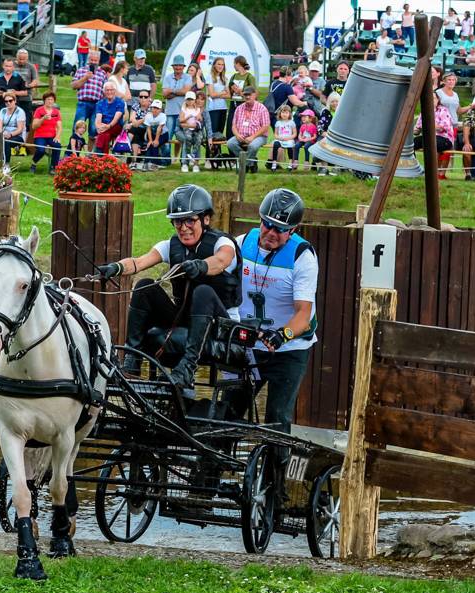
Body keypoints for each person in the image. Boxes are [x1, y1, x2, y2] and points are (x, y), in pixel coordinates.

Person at [98, 184, 242, 391]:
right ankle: (132, 361)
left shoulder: (222, 242)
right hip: (187, 319)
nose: (183, 227)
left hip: (220, 325)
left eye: (190, 220)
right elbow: (139, 262)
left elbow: (222, 261)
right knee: (145, 286)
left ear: (205, 219)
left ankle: (187, 367)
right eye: (177, 221)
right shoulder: (171, 245)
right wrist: (116, 267)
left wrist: (201, 266)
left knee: (202, 291)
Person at [234, 188, 318, 437]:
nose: (271, 232)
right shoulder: (242, 243)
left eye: (280, 229)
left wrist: (283, 334)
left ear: (293, 230)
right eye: (267, 224)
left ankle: (276, 463)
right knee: (229, 409)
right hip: (249, 346)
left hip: (289, 350)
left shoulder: (302, 256)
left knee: (277, 419)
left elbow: (303, 314)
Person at [227, 86, 270, 172]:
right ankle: (251, 161)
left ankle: (245, 166)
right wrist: (237, 135)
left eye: (249, 94)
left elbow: (265, 126)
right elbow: (234, 126)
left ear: (255, 95)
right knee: (230, 143)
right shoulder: (239, 108)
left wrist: (252, 137)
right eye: (245, 95)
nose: (247, 97)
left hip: (259, 136)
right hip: (242, 135)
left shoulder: (262, 108)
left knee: (252, 146)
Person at [71, 49, 107, 137]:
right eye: (92, 60)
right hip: (83, 103)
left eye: (95, 60)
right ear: (88, 59)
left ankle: (91, 146)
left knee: (94, 130)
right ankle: (74, 145)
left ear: (98, 61)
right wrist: (85, 78)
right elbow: (73, 86)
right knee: (78, 127)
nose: (93, 62)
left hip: (97, 105)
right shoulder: (81, 70)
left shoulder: (102, 73)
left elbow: (105, 90)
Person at [30, 91, 62, 174]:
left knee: (57, 146)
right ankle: (33, 163)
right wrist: (43, 118)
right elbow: (34, 126)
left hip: (52, 136)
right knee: (41, 150)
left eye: (52, 99)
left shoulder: (56, 112)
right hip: (40, 136)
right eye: (48, 99)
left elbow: (59, 127)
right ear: (44, 100)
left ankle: (53, 167)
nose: (50, 101)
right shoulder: (39, 110)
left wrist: (57, 137)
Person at [162, 54, 191, 140]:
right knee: (168, 138)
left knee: (183, 139)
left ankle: (182, 151)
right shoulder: (168, 78)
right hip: (170, 112)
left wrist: (171, 91)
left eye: (180, 65)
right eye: (176, 65)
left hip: (183, 113)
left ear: (183, 67)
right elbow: (164, 94)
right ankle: (168, 150)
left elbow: (186, 91)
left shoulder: (187, 77)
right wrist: (180, 91)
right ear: (173, 66)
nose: (178, 67)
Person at [227, 55, 256, 137]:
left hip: (244, 104)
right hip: (233, 104)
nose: (233, 66)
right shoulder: (233, 76)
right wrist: (232, 89)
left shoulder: (249, 77)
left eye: (234, 63)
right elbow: (229, 93)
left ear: (238, 64)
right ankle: (230, 143)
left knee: (242, 126)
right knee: (230, 126)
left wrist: (240, 92)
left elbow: (253, 94)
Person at [93, 81, 125, 154]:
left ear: (115, 91)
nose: (109, 92)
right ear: (104, 92)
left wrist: (108, 126)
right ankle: (104, 157)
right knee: (105, 135)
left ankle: (98, 155)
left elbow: (116, 118)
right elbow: (98, 118)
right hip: (103, 127)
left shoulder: (120, 102)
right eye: (107, 90)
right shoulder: (100, 103)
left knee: (103, 134)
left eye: (111, 90)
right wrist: (98, 127)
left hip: (115, 126)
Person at [175, 91, 203, 171]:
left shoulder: (197, 109)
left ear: (194, 100)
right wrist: (188, 118)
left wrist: (198, 118)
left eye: (191, 99)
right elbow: (181, 121)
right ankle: (185, 162)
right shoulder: (184, 109)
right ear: (185, 100)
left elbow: (200, 119)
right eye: (188, 99)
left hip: (196, 129)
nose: (190, 101)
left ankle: (193, 156)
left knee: (198, 139)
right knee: (188, 139)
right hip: (187, 129)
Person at [0, 92, 26, 164]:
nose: (8, 103)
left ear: (15, 101)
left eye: (10, 101)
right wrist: (0, 134)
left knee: (6, 142)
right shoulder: (3, 110)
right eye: (6, 101)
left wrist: (10, 134)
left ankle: (6, 164)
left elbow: (20, 129)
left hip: (17, 135)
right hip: (4, 134)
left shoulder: (20, 112)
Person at [140, 99, 167, 168]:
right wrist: (150, 140)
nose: (155, 110)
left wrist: (156, 140)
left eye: (157, 108)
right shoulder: (148, 116)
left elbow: (159, 128)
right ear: (151, 108)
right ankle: (147, 162)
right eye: (154, 108)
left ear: (160, 110)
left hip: (163, 134)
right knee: (150, 144)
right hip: (152, 134)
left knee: (154, 145)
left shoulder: (163, 116)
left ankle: (154, 163)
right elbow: (148, 128)